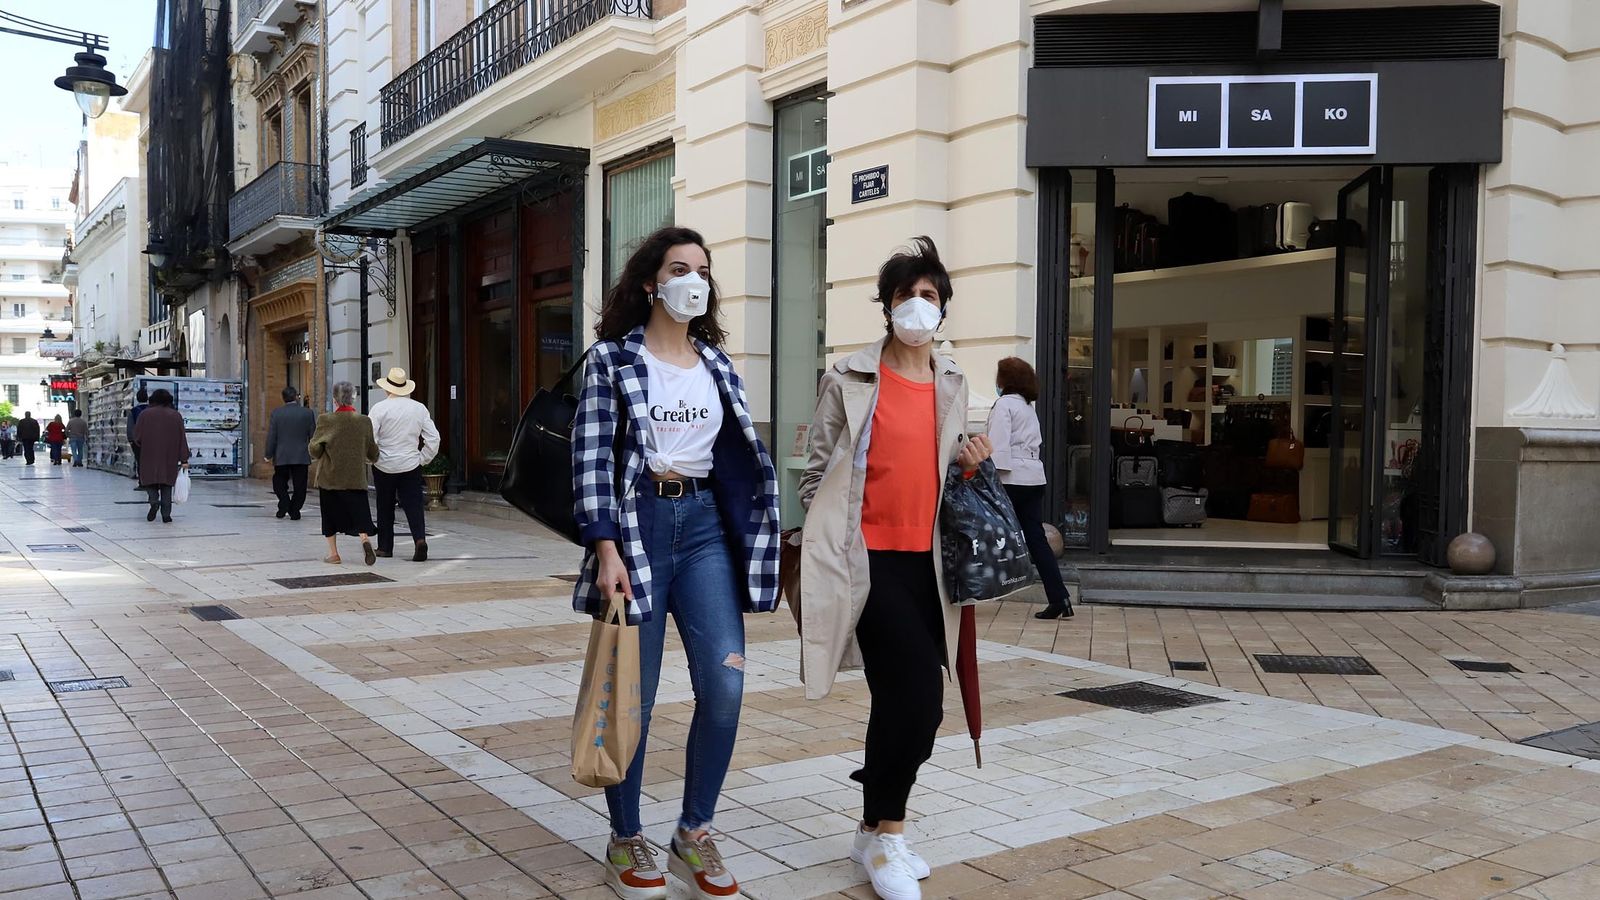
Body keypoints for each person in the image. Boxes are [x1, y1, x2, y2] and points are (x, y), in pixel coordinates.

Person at [573, 226, 781, 900]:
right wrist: (605, 548)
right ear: (650, 283)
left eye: (704, 269)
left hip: (705, 533)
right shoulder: (612, 360)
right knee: (634, 690)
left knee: (724, 686)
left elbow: (740, 461)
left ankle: (693, 832)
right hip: (638, 525)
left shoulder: (719, 366)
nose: (696, 278)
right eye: (680, 267)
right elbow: (592, 459)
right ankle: (625, 833)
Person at [798, 237, 992, 900]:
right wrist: (827, 535)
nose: (917, 305)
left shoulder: (952, 382)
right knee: (917, 697)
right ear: (887, 306)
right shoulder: (850, 376)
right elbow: (817, 468)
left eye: (929, 295)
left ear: (943, 309)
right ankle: (889, 837)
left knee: (908, 705)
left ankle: (870, 827)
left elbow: (944, 472)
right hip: (867, 560)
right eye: (905, 294)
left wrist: (972, 459)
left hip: (928, 565)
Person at [987, 357, 1074, 619]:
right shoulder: (1027, 407)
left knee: (985, 534)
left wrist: (989, 477)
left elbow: (998, 447)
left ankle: (977, 587)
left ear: (1004, 380)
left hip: (1011, 478)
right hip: (1034, 478)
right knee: (1037, 540)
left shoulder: (1004, 405)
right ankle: (1059, 597)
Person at [368, 367, 440, 561]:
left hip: (384, 465)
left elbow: (370, 438)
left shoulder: (379, 408)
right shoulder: (419, 408)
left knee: (385, 506)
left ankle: (385, 547)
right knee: (414, 505)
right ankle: (419, 539)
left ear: (387, 388)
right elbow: (434, 438)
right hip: (410, 464)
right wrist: (422, 458)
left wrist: (372, 458)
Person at [308, 381, 378, 566]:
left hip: (330, 478)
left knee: (329, 516)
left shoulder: (326, 420)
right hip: (355, 477)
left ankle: (334, 554)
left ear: (335, 399)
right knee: (360, 513)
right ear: (354, 398)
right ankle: (364, 539)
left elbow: (314, 449)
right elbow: (373, 451)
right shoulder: (364, 421)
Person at [131, 390, 190, 524]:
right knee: (166, 483)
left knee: (150, 481)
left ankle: (153, 501)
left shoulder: (144, 414)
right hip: (169, 456)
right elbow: (182, 438)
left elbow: (137, 437)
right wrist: (184, 459)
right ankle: (166, 515)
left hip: (149, 454)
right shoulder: (176, 416)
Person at [265, 386, 317, 521]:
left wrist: (268, 454)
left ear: (283, 398)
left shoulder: (277, 413)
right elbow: (313, 435)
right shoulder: (308, 413)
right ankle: (295, 510)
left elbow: (272, 436)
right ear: (296, 397)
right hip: (301, 455)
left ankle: (284, 504)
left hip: (281, 455)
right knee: (300, 485)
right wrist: (315, 453)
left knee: (279, 482)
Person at [128, 388, 149, 474]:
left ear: (137, 398)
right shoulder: (151, 410)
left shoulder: (133, 411)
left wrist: (131, 440)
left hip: (137, 441)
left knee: (140, 461)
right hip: (150, 440)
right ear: (147, 398)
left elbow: (130, 427)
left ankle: (142, 481)